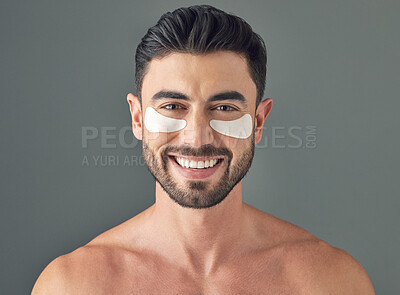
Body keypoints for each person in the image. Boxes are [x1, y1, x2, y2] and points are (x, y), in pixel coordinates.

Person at [32, 5, 375, 294]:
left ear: (258, 122)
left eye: (224, 108)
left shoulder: (328, 282)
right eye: (172, 107)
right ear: (138, 119)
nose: (197, 138)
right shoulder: (75, 285)